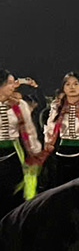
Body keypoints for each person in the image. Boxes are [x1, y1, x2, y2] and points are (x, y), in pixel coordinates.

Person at [0, 70, 43, 218]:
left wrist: (35, 153)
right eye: (10, 83)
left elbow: (29, 130)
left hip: (12, 156)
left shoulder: (19, 105)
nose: (14, 86)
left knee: (12, 198)